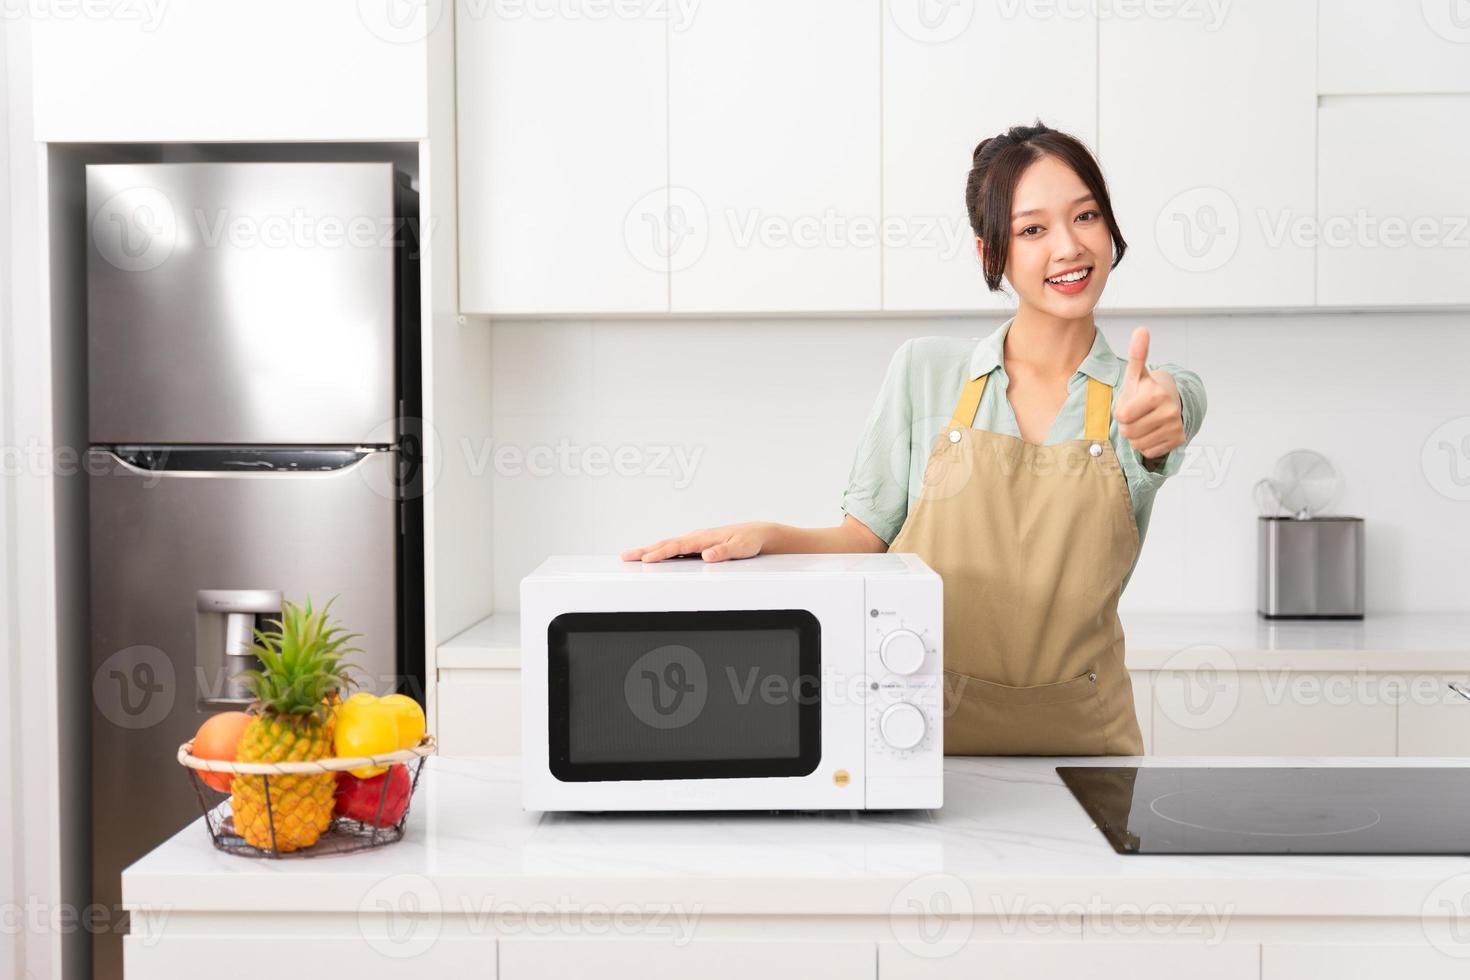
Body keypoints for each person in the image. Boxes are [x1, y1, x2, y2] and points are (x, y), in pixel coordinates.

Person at [621, 122, 1206, 756]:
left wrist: (1171, 404)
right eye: (1032, 229)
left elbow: (1180, 402)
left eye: (1086, 215)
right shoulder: (926, 373)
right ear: (992, 254)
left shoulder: (1136, 394)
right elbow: (863, 541)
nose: (1068, 246)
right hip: (921, 741)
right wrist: (768, 536)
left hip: (1087, 753)